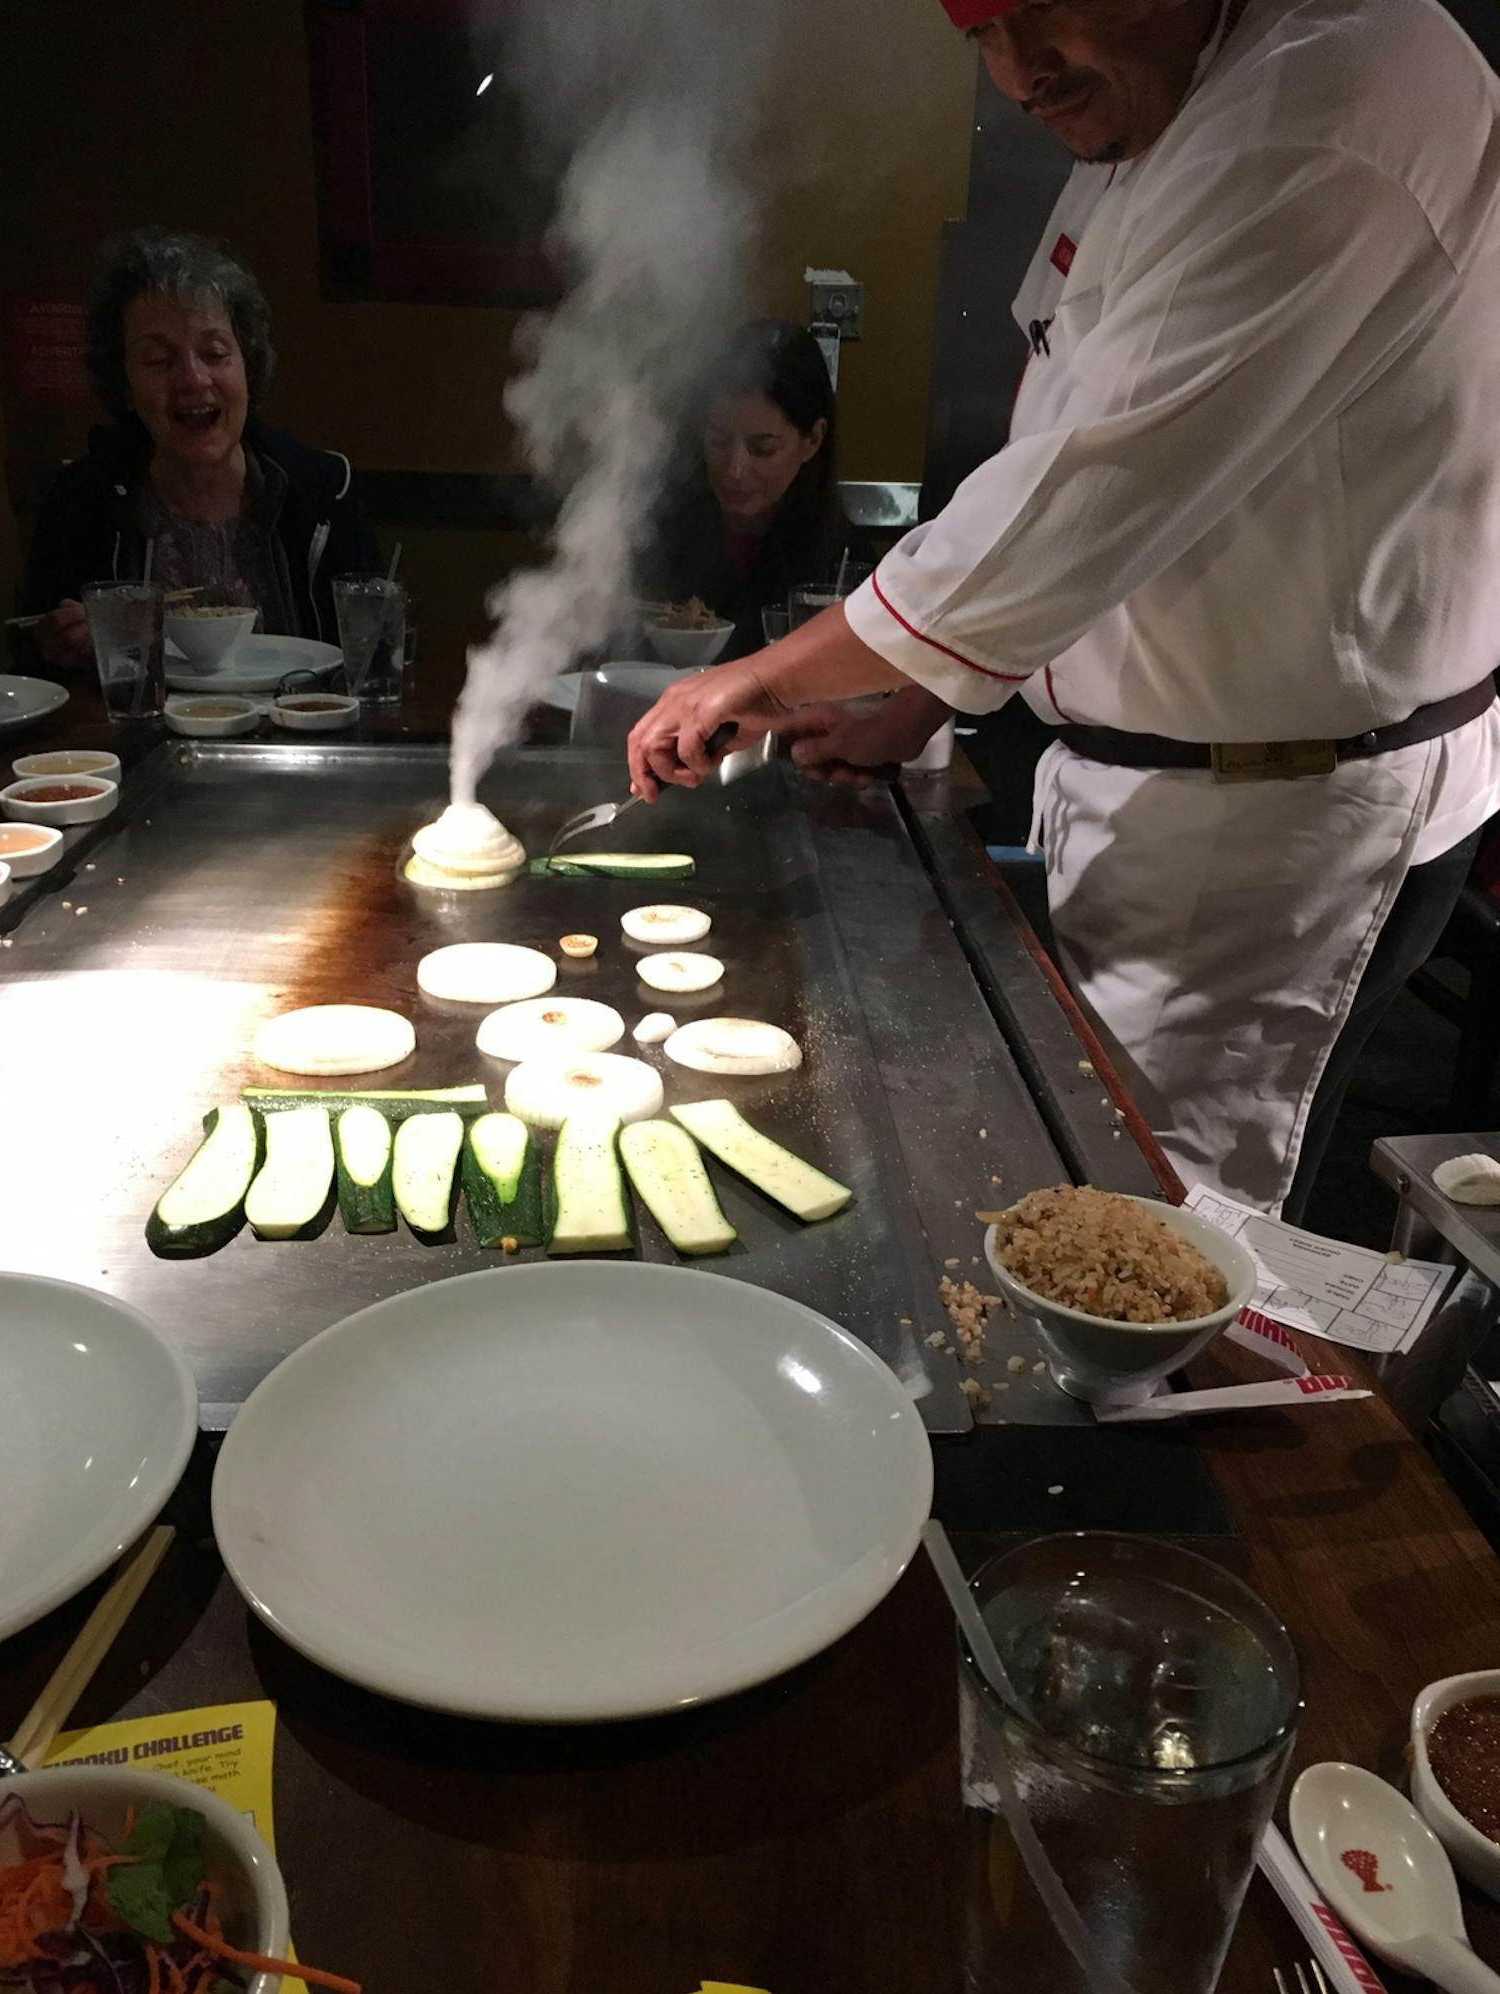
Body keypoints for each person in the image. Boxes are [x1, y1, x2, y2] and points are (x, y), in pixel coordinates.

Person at [630, 0, 1500, 1222]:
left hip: (1273, 814)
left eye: (1045, 9)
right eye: (979, 31)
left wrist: (771, 679)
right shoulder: (1166, 105)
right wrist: (912, 693)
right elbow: (1060, 451)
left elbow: (1101, 484)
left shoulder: (1334, 97)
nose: (1016, 73)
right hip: (1169, 783)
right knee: (1103, 1179)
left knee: (1166, 1230)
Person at [23, 228, 380, 671]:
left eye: (214, 353)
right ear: (125, 386)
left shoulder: (324, 491)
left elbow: (377, 658)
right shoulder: (82, 502)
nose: (193, 379)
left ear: (247, 366)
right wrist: (62, 648)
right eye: (158, 359)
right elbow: (33, 668)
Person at [641, 319, 854, 659]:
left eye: (763, 448)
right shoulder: (655, 531)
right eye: (719, 440)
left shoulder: (842, 560)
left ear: (813, 440)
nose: (735, 470)